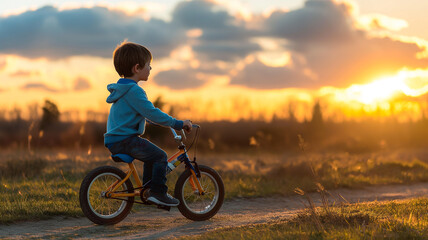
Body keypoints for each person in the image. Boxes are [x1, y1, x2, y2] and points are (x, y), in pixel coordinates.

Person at [104, 41, 192, 206]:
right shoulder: (134, 91)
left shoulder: (122, 90)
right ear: (137, 68)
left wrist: (164, 122)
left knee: (151, 157)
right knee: (160, 156)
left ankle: (148, 190)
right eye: (148, 65)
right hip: (125, 140)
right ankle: (158, 193)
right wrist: (177, 123)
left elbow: (148, 116)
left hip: (115, 139)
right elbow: (152, 113)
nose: (150, 68)